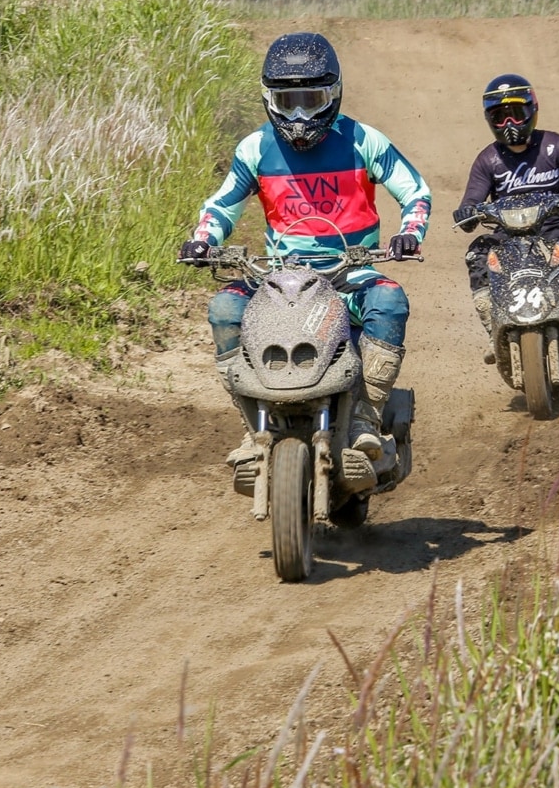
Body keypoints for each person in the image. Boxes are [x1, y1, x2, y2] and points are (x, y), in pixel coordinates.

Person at [179, 31, 431, 478]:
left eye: (311, 99)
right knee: (224, 308)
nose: (299, 114)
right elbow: (221, 207)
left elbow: (415, 192)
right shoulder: (255, 148)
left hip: (349, 272)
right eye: (288, 100)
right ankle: (252, 426)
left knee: (390, 300)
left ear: (332, 94)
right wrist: (204, 239)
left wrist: (409, 233)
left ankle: (364, 417)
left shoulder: (364, 140)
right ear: (268, 98)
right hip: (277, 278)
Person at [453, 73, 559, 362]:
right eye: (500, 117)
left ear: (532, 110)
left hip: (557, 227)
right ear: (489, 121)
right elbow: (471, 200)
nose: (509, 124)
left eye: (516, 114)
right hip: (508, 235)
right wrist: (467, 213)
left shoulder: (556, 145)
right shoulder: (487, 160)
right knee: (477, 255)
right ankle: (493, 330)